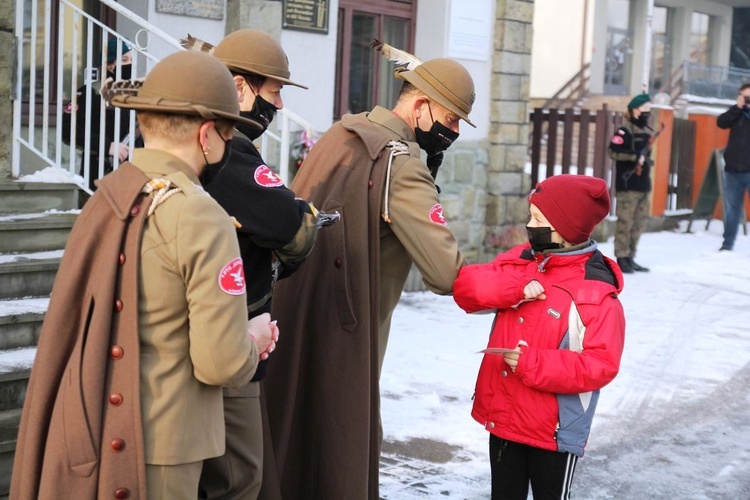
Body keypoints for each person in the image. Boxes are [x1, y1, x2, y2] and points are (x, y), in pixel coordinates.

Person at [10, 50, 279, 500]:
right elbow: (222, 363)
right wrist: (252, 339)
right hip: (166, 449)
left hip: (97, 427)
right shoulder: (200, 214)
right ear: (207, 134)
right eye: (229, 132)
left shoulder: (108, 196)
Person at [259, 56, 476, 500]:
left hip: (294, 312)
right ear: (419, 107)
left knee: (292, 435)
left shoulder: (340, 135)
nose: (451, 131)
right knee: (341, 448)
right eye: (449, 119)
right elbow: (444, 272)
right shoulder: (401, 164)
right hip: (350, 332)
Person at [192, 29, 319, 500]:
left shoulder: (203, 142)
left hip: (210, 331)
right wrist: (299, 218)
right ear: (240, 88)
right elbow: (291, 223)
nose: (280, 105)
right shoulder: (231, 148)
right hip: (232, 333)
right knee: (239, 479)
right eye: (275, 91)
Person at [453, 174, 626, 500]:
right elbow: (466, 289)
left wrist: (534, 363)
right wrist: (513, 289)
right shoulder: (523, 260)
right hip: (504, 420)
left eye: (538, 219)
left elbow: (601, 364)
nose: (529, 225)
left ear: (568, 227)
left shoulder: (595, 291)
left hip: (553, 434)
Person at [61, 37, 139, 192]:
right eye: (124, 60)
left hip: (133, 175)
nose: (129, 65)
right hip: (99, 172)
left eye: (131, 59)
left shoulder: (135, 96)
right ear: (109, 64)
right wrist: (107, 146)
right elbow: (69, 130)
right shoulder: (91, 92)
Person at [608, 92, 653, 273]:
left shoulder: (644, 132)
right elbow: (613, 152)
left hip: (643, 184)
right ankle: (622, 257)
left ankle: (631, 256)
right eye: (645, 110)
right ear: (635, 110)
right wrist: (634, 156)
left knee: (639, 222)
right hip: (628, 185)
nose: (648, 114)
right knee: (625, 222)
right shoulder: (624, 131)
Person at [717, 83, 750, 251]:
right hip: (732, 171)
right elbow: (721, 123)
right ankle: (727, 244)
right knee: (732, 211)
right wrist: (738, 108)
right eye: (745, 96)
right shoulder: (736, 113)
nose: (747, 100)